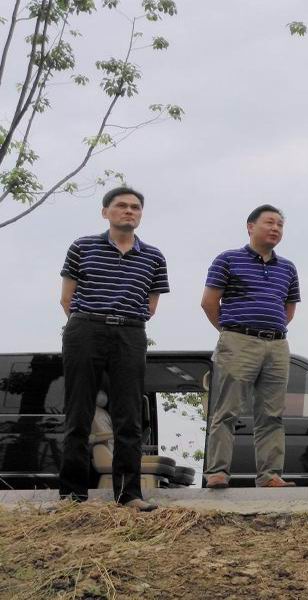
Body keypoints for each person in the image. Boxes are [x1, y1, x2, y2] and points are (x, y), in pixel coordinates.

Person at [59, 186, 169, 511]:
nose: (129, 211)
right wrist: (93, 323)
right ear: (105, 211)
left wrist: (121, 323)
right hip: (85, 329)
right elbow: (67, 298)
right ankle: (72, 497)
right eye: (121, 205)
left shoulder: (154, 257)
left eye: (135, 207)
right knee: (78, 414)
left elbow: (150, 305)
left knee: (129, 416)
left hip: (130, 333)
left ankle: (129, 495)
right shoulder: (82, 247)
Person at [201, 204, 300, 489]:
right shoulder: (228, 259)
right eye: (269, 222)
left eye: (280, 224)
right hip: (238, 340)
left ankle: (270, 475)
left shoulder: (288, 268)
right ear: (250, 226)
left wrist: (269, 330)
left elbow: (288, 309)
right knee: (227, 410)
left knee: (272, 414)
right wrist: (231, 331)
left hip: (277, 343)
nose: (275, 228)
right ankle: (218, 472)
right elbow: (209, 302)